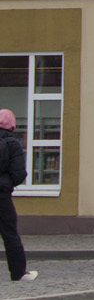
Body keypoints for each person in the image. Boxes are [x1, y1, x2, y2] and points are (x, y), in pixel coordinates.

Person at [0, 108, 38, 282]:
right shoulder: (12, 143)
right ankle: (19, 273)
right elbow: (19, 173)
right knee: (10, 234)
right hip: (2, 195)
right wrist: (7, 184)